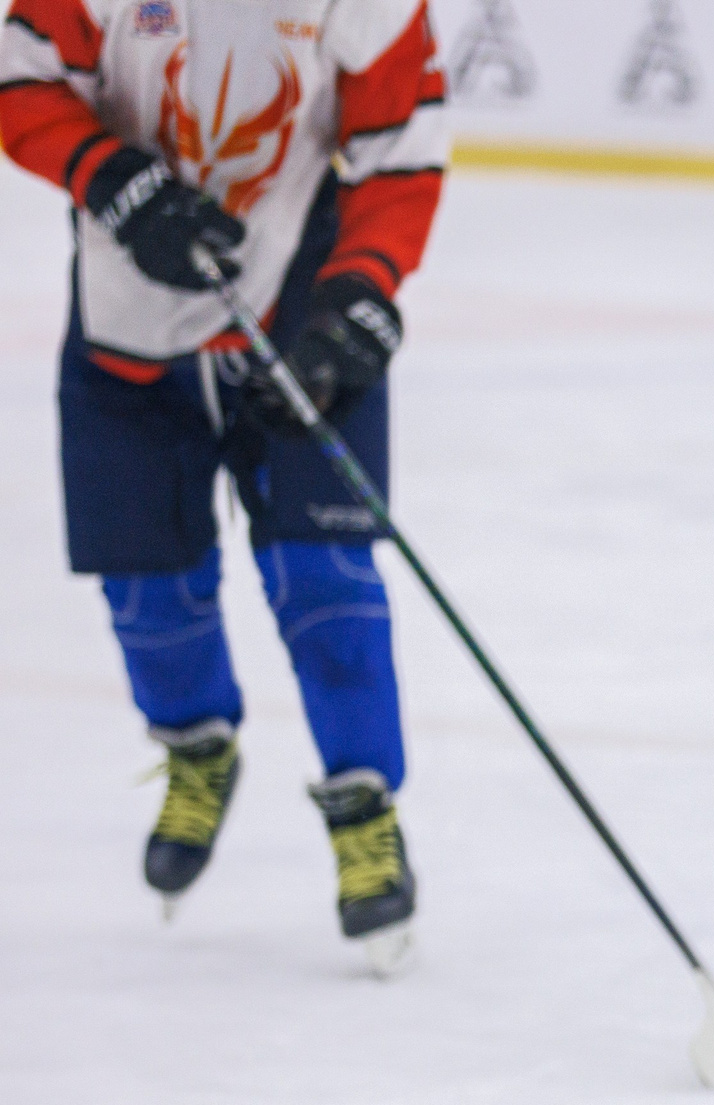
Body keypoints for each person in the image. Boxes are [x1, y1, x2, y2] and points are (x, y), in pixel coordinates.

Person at [0, 1, 448, 968]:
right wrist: (108, 174)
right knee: (146, 583)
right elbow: (21, 79)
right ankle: (196, 742)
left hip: (296, 298)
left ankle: (365, 805)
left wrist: (364, 289)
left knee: (324, 570)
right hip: (125, 322)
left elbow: (401, 140)